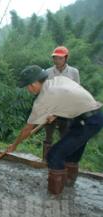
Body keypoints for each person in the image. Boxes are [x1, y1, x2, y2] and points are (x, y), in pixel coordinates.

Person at [7, 65, 102, 195]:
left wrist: (14, 145)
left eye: (28, 86)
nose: (28, 89)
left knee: (54, 155)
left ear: (34, 84)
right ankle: (68, 183)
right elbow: (69, 97)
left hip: (87, 122)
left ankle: (54, 195)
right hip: (90, 116)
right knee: (71, 154)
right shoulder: (59, 80)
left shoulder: (43, 99)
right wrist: (56, 113)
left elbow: (28, 128)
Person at [42, 46, 81, 160]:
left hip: (66, 110)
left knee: (64, 136)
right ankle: (46, 159)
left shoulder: (74, 72)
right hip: (51, 109)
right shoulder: (48, 72)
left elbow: (77, 90)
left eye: (60, 58)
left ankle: (60, 159)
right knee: (48, 135)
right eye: (55, 58)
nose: (57, 60)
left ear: (66, 58)